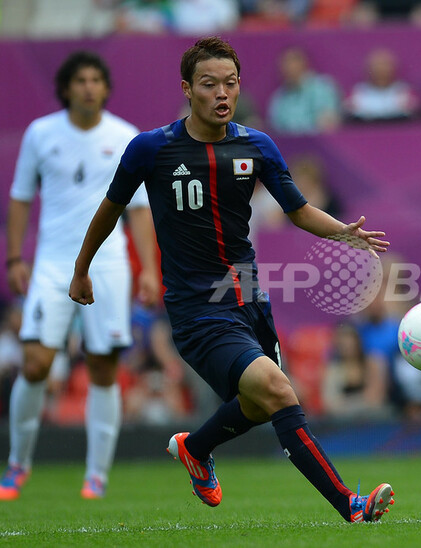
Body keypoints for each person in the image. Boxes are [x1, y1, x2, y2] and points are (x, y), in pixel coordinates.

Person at [68, 37, 395, 523]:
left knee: (260, 404)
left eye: (231, 83)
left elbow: (299, 210)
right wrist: (81, 268)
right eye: (209, 84)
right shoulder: (150, 149)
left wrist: (343, 232)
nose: (222, 93)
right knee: (280, 392)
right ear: (187, 89)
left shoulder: (257, 145)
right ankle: (350, 504)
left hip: (248, 298)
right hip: (196, 309)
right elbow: (109, 210)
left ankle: (196, 449)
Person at [0, 51, 159, 501]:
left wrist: (148, 269)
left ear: (106, 87)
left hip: (109, 264)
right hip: (52, 264)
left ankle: (97, 476)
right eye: (80, 80)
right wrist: (15, 258)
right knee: (35, 363)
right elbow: (19, 198)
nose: (89, 87)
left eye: (96, 79)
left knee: (103, 368)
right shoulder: (41, 133)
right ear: (66, 88)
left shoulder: (125, 136)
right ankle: (17, 464)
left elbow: (140, 211)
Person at [266, 47, 342, 135]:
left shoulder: (323, 89)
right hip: (285, 147)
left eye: (291, 62)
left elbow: (328, 124)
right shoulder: (278, 98)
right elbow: (274, 129)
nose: (286, 68)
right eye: (284, 64)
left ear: (303, 64)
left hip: (317, 145)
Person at [344, 48, 420, 123]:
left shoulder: (405, 92)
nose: (381, 69)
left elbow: (413, 114)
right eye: (377, 65)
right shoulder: (356, 93)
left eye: (385, 65)